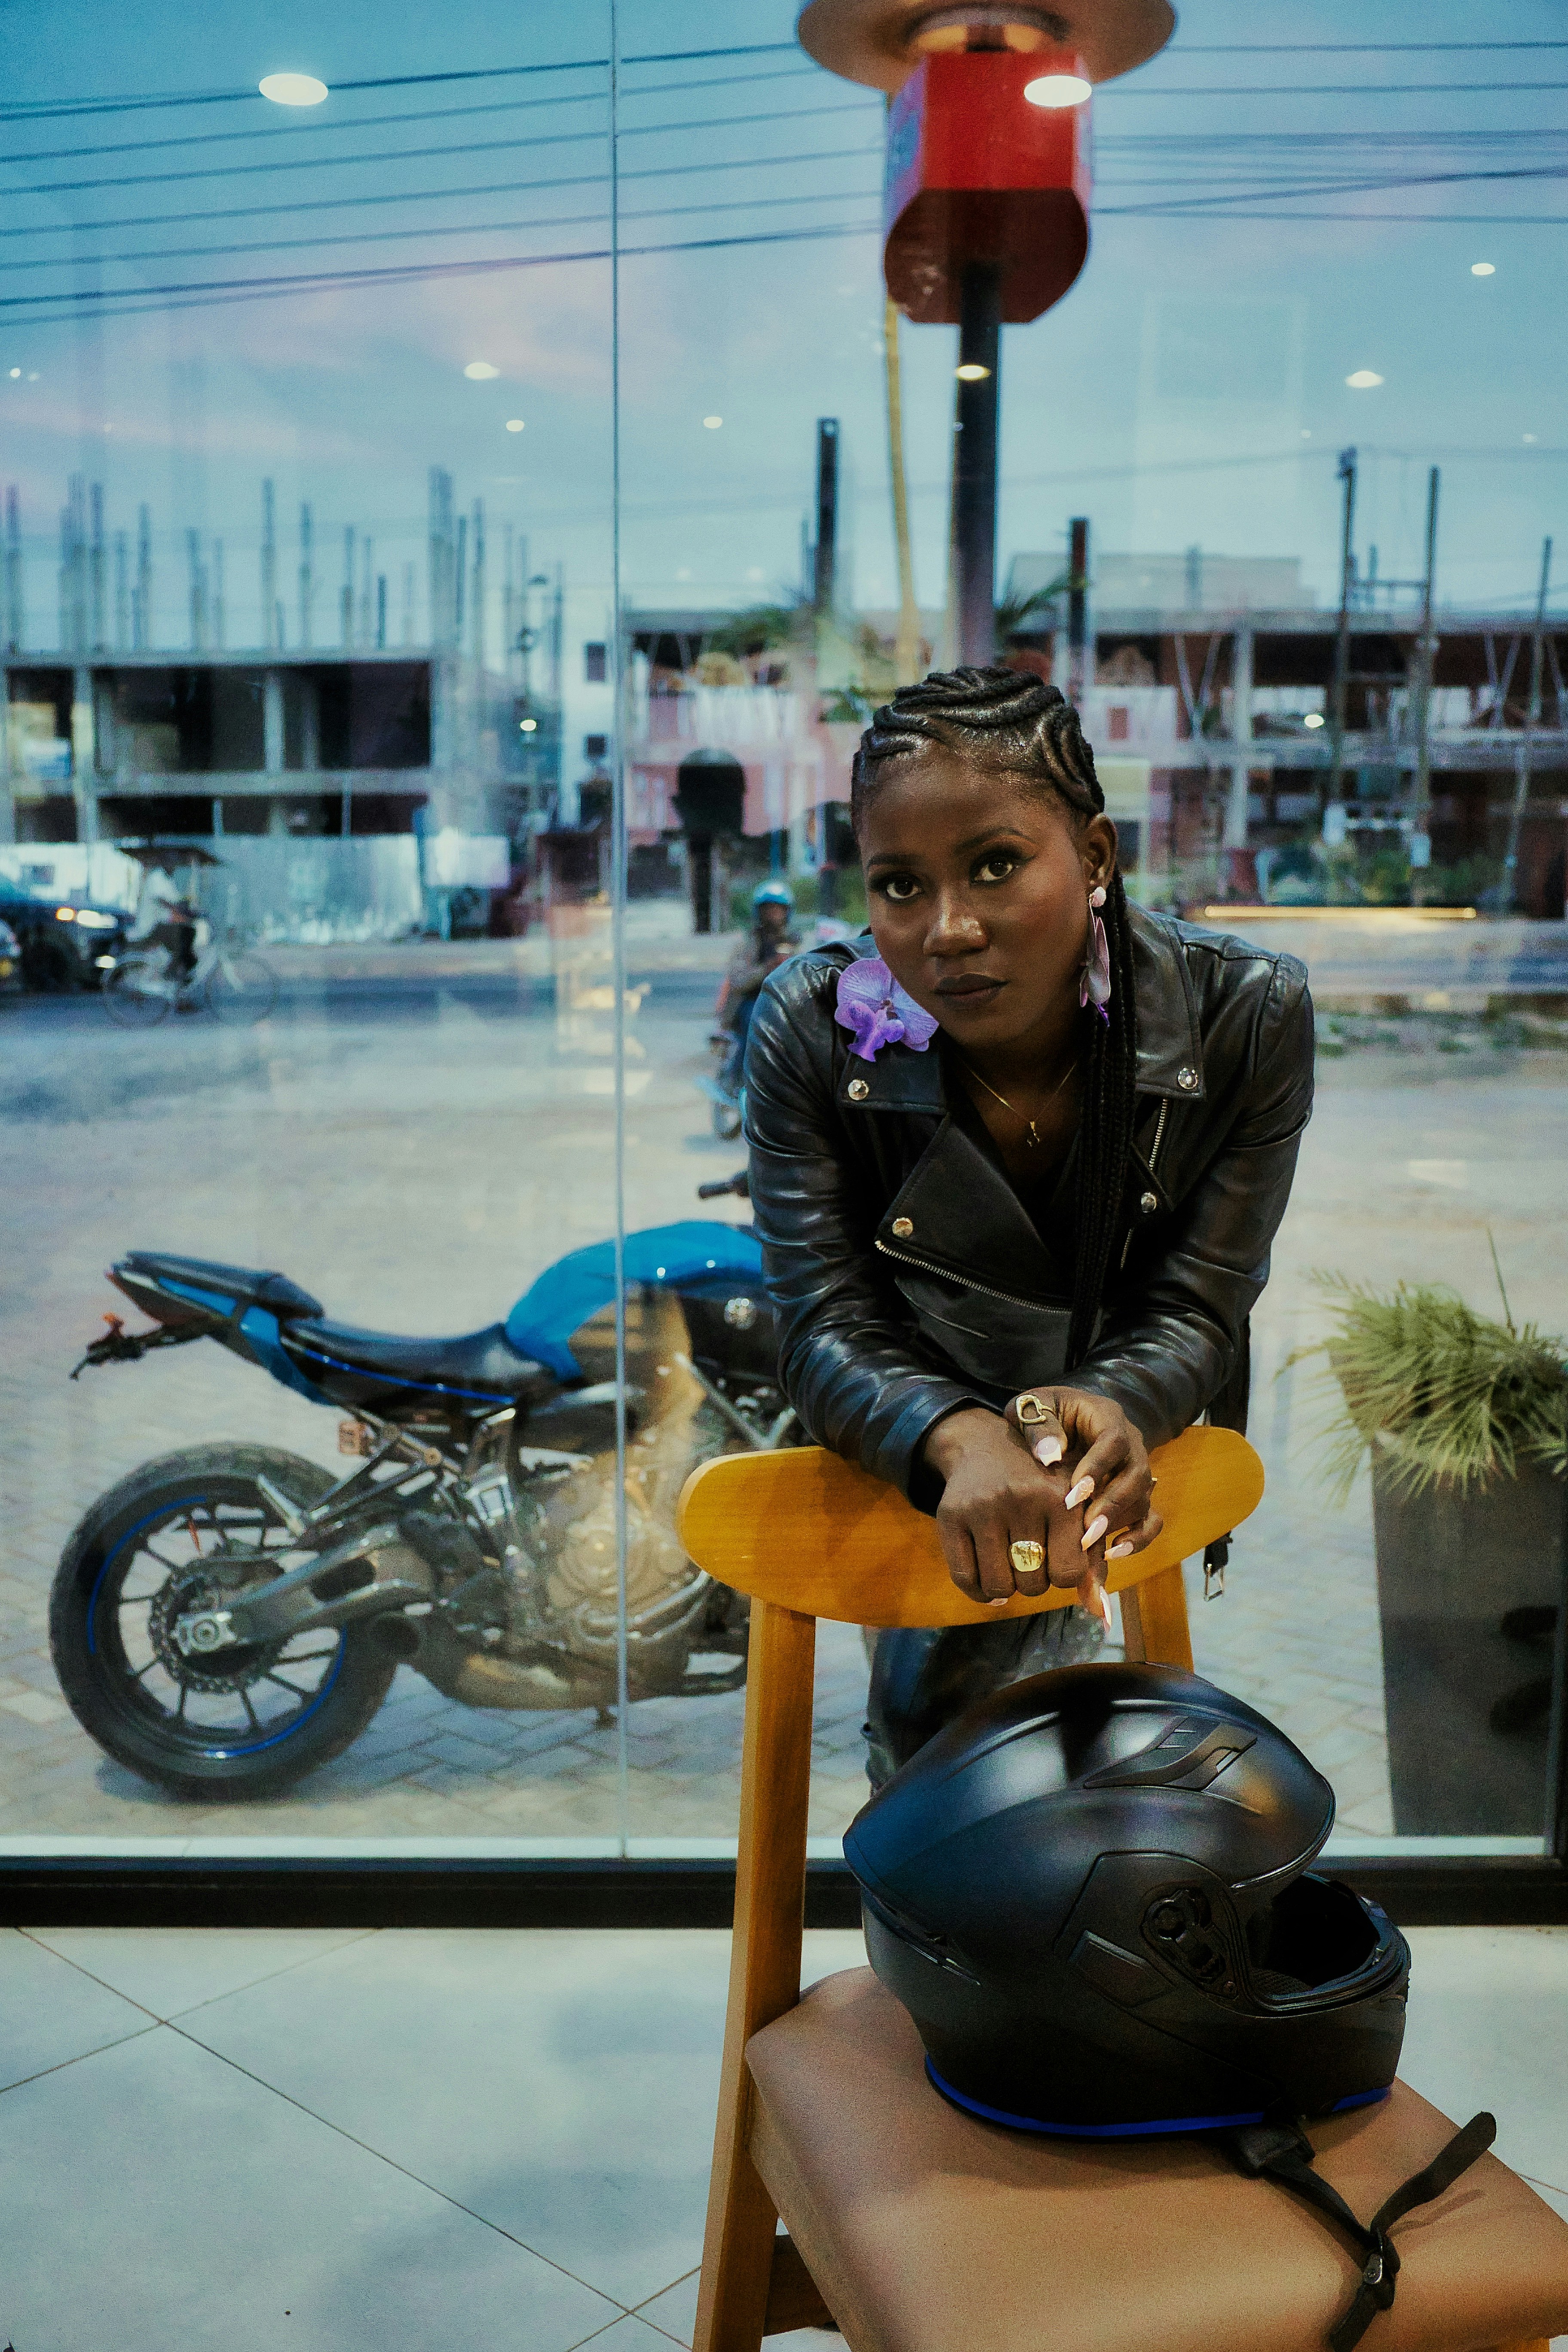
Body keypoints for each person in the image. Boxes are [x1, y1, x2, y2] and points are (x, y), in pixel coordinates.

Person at [743, 668, 1314, 1786]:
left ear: (1094, 857)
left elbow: (1201, 1299)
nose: (947, 930)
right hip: (914, 1465)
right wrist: (960, 1436)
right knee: (945, 1780)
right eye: (899, 886)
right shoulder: (807, 1032)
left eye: (996, 867)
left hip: (1127, 1448)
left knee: (1128, 1798)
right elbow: (819, 1318)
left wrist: (1109, 1406)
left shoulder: (1247, 1016)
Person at [713, 879, 801, 1081]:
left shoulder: (795, 943)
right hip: (749, 1002)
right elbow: (738, 982)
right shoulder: (747, 944)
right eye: (768, 910)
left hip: (783, 1004)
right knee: (755, 1023)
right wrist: (767, 968)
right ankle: (739, 1079)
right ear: (759, 913)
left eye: (778, 910)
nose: (773, 915)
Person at [129, 857, 198, 984]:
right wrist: (180, 910)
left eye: (175, 862)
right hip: (151, 928)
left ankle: (183, 984)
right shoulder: (156, 877)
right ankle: (170, 972)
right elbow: (164, 901)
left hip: (161, 926)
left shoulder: (168, 881)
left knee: (189, 934)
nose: (173, 865)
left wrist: (194, 913)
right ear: (163, 862)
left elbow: (179, 901)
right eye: (170, 861)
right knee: (181, 936)